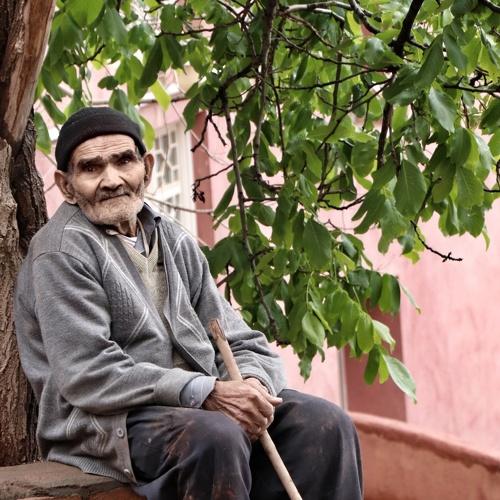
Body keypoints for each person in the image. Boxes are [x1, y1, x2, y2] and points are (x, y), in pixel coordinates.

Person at [14, 107, 363, 500]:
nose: (111, 180)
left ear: (146, 168)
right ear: (66, 185)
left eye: (124, 161)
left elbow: (240, 340)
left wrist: (250, 386)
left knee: (325, 424)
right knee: (216, 436)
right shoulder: (61, 253)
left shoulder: (173, 239)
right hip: (108, 422)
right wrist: (206, 392)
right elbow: (88, 374)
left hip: (198, 406)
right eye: (91, 168)